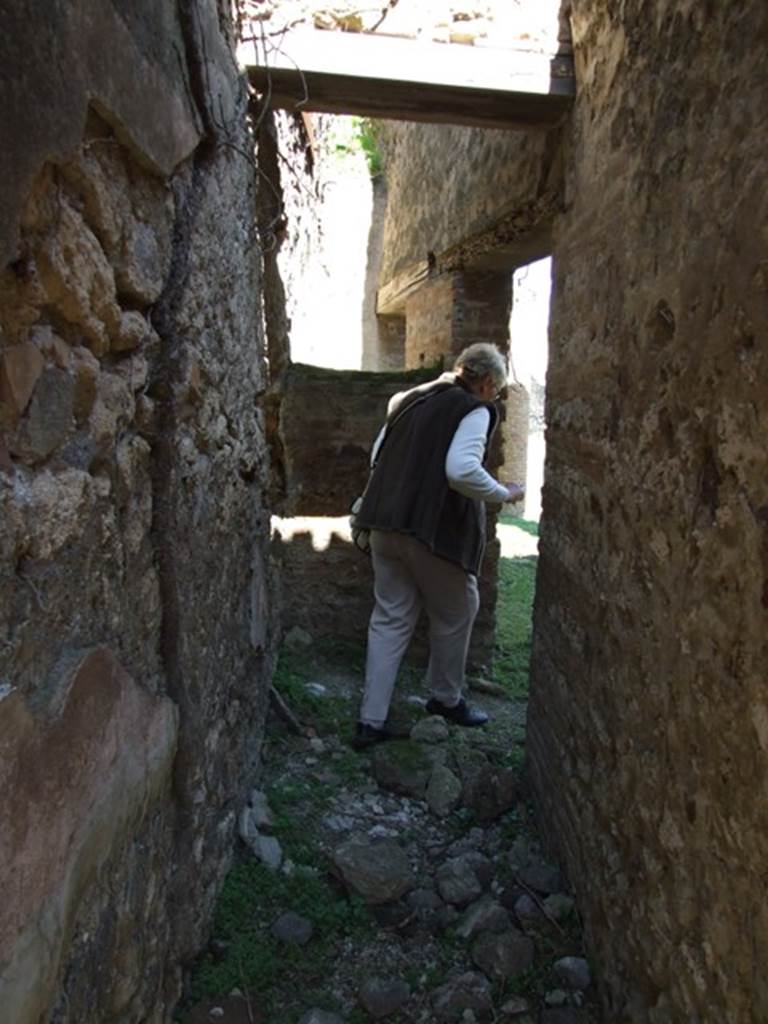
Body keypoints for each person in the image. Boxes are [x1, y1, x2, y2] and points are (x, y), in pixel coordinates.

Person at [352, 342, 525, 750]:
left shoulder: (407, 400)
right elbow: (461, 469)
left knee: (390, 618)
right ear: (485, 384)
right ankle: (446, 698)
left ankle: (370, 721)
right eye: (496, 391)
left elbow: (378, 456)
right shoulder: (474, 408)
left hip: (382, 521)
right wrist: (503, 492)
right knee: (459, 607)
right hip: (427, 530)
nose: (494, 398)